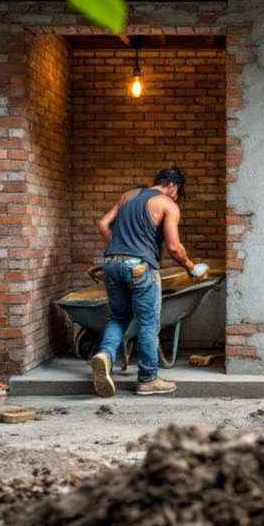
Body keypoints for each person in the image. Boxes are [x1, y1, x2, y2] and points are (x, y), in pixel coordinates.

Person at [89, 167, 208, 396]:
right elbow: (174, 247)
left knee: (118, 317)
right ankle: (148, 379)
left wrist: (120, 251)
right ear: (172, 186)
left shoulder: (128, 195)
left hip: (111, 262)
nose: (175, 198)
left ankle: (105, 355)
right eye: (177, 193)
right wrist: (191, 268)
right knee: (148, 323)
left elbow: (103, 224)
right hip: (140, 267)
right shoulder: (167, 204)